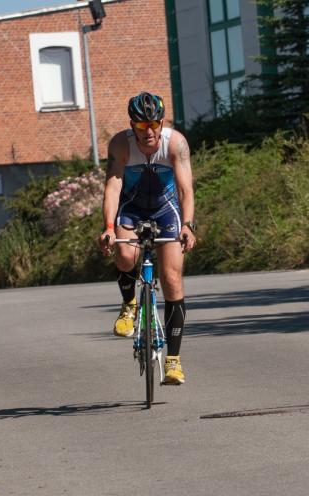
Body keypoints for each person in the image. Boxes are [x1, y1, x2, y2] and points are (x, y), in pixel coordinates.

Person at [98, 91, 196, 385]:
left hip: (167, 211)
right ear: (133, 125)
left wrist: (188, 225)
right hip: (132, 208)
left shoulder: (175, 143)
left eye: (154, 124)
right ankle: (129, 303)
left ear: (161, 123)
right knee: (125, 256)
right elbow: (113, 188)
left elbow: (185, 190)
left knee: (171, 279)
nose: (148, 131)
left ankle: (173, 361)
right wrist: (109, 227)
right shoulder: (121, 144)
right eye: (142, 126)